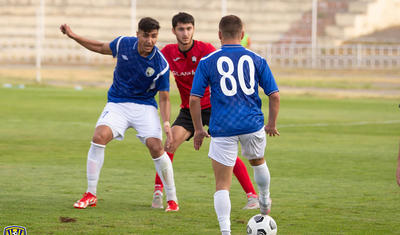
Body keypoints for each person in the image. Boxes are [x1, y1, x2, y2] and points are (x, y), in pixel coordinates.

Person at [60, 17, 179, 212]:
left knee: (156, 147)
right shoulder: (124, 44)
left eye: (154, 36)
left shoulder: (161, 64)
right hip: (118, 103)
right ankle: (91, 193)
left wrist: (166, 123)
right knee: (99, 137)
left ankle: (172, 199)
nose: (150, 41)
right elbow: (100, 47)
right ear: (138, 34)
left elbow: (164, 98)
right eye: (146, 36)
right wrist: (73, 35)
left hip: (145, 107)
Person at [151, 12, 260, 210]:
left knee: (224, 152)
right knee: (169, 144)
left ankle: (252, 196)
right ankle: (158, 192)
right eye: (181, 29)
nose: (185, 33)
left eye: (189, 29)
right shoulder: (167, 52)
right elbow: (151, 62)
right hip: (189, 109)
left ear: (193, 29)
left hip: (214, 107)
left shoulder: (206, 50)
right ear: (174, 31)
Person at [189, 15, 280, 235]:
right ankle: (265, 199)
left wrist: (200, 129)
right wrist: (270, 124)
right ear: (242, 34)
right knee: (257, 162)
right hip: (252, 124)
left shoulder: (207, 61)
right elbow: (274, 96)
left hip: (222, 128)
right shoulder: (257, 59)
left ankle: (225, 232)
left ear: (219, 35)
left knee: (222, 185)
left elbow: (194, 99)